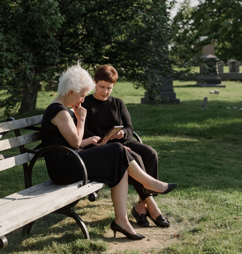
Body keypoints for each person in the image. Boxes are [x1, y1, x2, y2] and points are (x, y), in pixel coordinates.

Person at [40, 62, 177, 240]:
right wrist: (81, 119)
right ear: (71, 92)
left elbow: (75, 141)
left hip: (72, 160)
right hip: (64, 168)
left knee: (119, 160)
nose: (82, 100)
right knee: (118, 151)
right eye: (81, 95)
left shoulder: (61, 109)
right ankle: (151, 185)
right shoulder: (60, 111)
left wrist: (84, 129)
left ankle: (121, 220)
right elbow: (74, 143)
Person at [82, 65, 170, 228]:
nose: (105, 91)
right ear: (94, 83)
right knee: (134, 157)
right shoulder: (86, 104)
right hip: (101, 149)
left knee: (150, 153)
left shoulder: (118, 103)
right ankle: (150, 206)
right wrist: (104, 140)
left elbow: (129, 128)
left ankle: (140, 205)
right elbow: (84, 133)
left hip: (123, 142)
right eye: (102, 87)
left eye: (109, 88)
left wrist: (123, 134)